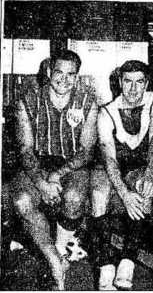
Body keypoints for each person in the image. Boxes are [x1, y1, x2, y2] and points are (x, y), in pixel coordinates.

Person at [11, 49, 98, 290]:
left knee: (73, 198)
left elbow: (87, 150)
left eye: (71, 74)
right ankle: (55, 260)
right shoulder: (26, 101)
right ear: (49, 72)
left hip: (71, 163)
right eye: (59, 72)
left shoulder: (88, 102)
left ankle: (59, 247)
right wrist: (41, 182)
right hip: (36, 164)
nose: (64, 79)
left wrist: (58, 174)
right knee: (22, 202)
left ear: (77, 76)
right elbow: (25, 151)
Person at [90, 60, 153, 290]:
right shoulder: (106, 112)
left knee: (144, 191)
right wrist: (123, 194)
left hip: (140, 167)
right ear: (120, 82)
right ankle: (105, 265)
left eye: (139, 82)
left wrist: (151, 175)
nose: (133, 89)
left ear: (147, 83)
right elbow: (109, 158)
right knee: (99, 193)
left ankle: (127, 261)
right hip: (109, 166)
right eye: (128, 82)